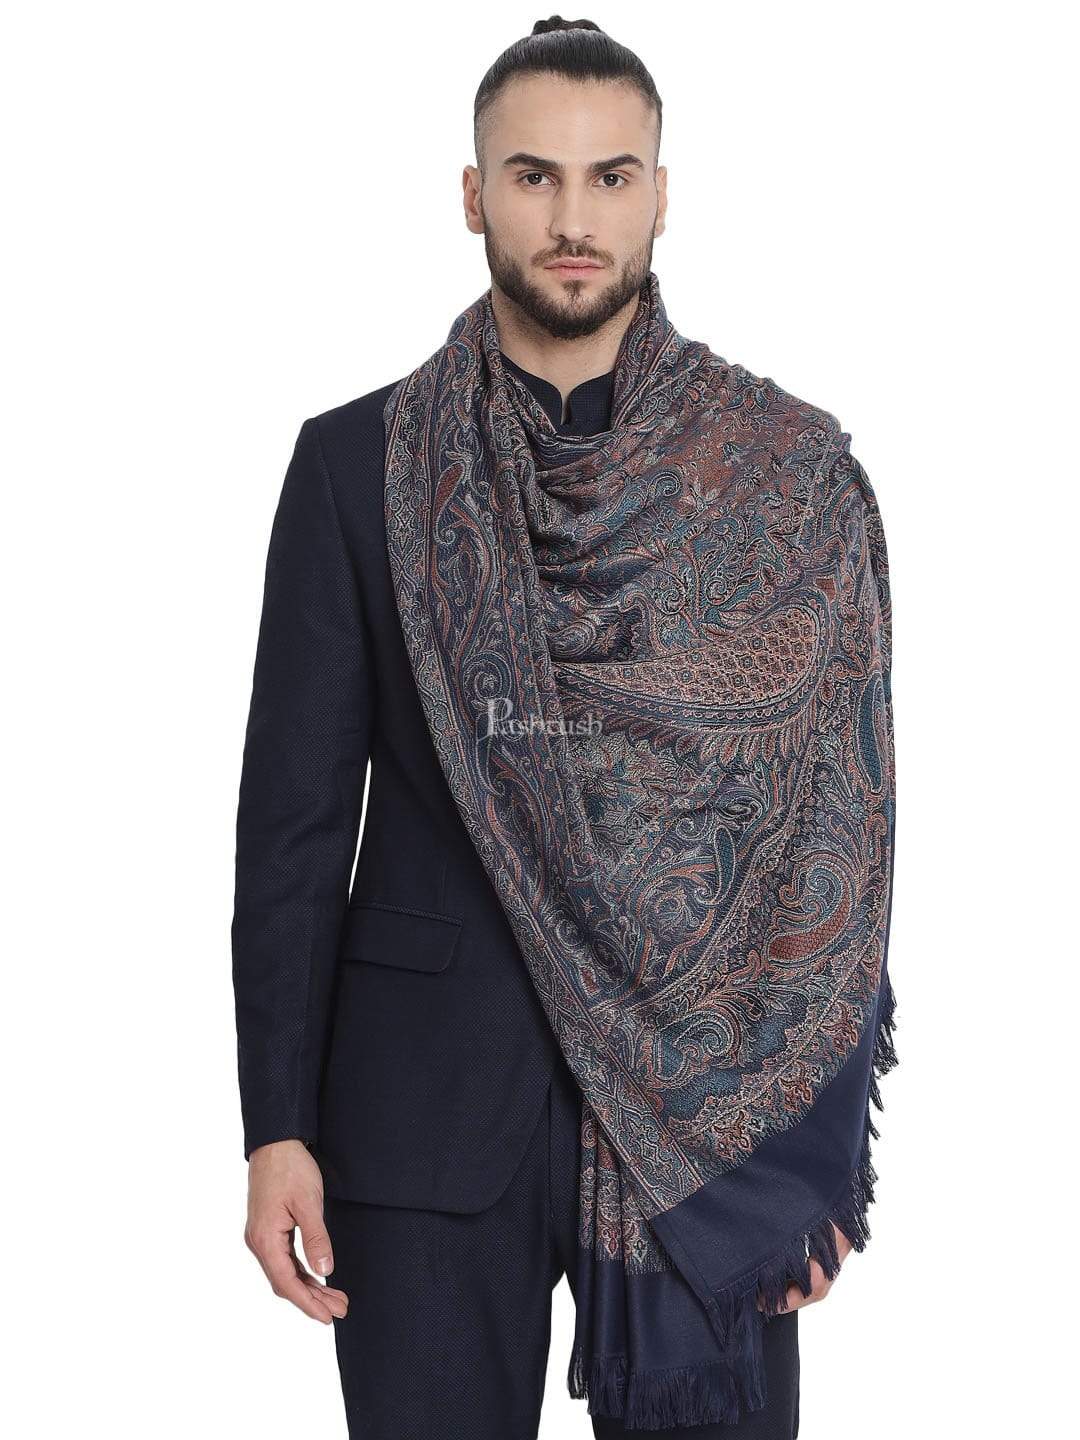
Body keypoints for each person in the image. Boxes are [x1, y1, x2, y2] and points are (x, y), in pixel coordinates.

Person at [231, 17, 898, 1440]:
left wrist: (811, 1158)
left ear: (663, 195)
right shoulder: (356, 466)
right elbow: (293, 826)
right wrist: (274, 1124)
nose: (573, 219)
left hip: (703, 1128)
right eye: (535, 177)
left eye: (611, 177)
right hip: (422, 1111)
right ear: (474, 195)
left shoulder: (783, 474)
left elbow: (835, 834)